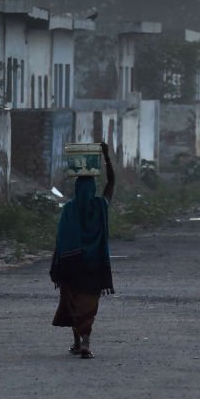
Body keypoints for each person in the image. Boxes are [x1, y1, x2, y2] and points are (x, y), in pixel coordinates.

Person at [50, 141, 116, 359]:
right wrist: (106, 157)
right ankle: (85, 341)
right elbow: (111, 183)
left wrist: (58, 263)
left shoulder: (69, 209)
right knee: (89, 304)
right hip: (94, 265)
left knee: (72, 302)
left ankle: (78, 342)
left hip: (71, 266)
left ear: (77, 190)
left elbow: (61, 240)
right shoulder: (100, 206)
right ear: (93, 191)